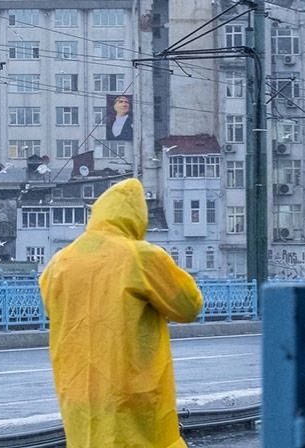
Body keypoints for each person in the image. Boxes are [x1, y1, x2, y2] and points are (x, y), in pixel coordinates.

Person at [39, 177, 202, 448]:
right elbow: (188, 306)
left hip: (78, 392)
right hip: (132, 391)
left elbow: (52, 307)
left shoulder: (60, 262)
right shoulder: (140, 256)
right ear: (135, 217)